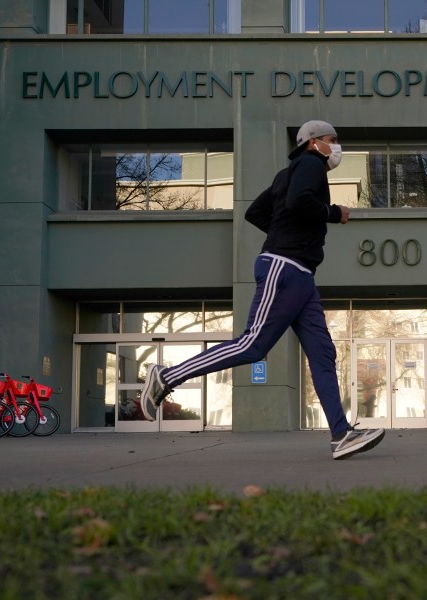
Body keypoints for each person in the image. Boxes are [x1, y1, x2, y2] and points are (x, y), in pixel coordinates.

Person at [139, 120, 385, 460]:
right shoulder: (311, 165)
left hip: (301, 278)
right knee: (253, 345)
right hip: (284, 269)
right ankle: (166, 376)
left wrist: (285, 229)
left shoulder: (286, 175)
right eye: (332, 140)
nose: (336, 146)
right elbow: (300, 203)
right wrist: (333, 212)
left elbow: (255, 212)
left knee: (323, 354)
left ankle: (341, 434)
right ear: (314, 143)